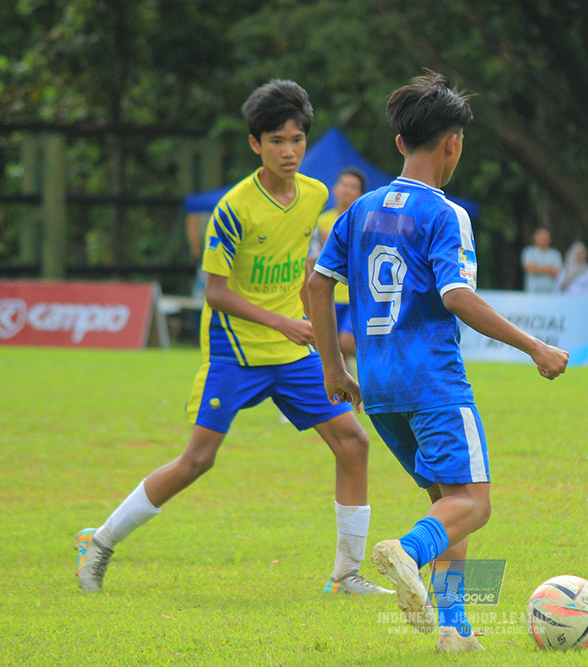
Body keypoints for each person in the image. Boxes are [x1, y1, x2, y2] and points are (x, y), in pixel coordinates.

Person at [75, 79, 392, 597]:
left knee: (353, 443)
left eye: (296, 139)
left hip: (291, 353)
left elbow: (307, 269)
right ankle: (100, 540)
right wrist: (284, 322)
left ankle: (345, 575)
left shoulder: (314, 196)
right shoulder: (233, 208)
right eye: (275, 141)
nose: (288, 151)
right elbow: (217, 294)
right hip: (236, 351)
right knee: (197, 460)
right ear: (255, 145)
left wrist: (324, 343)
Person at [307, 70, 569, 653]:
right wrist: (536, 347)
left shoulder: (358, 212)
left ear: (400, 143)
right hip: (433, 383)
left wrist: (333, 369)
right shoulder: (446, 214)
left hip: (377, 385)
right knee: (474, 505)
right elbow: (457, 296)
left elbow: (316, 289)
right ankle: (406, 551)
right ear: (453, 143)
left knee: (448, 502)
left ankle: (456, 629)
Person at [315, 167, 367, 364]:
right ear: (335, 189)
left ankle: (383, 359)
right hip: (330, 296)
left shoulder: (364, 223)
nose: (347, 190)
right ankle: (348, 386)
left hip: (355, 296)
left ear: (360, 194)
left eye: (353, 186)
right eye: (344, 184)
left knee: (345, 341)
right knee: (332, 350)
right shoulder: (322, 221)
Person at [521, 227, 563, 293]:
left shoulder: (555, 254)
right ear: (535, 239)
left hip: (551, 292)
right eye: (541, 238)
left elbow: (558, 272)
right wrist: (549, 269)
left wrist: (538, 268)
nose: (543, 240)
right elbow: (531, 269)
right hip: (533, 292)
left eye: (545, 238)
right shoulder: (529, 252)